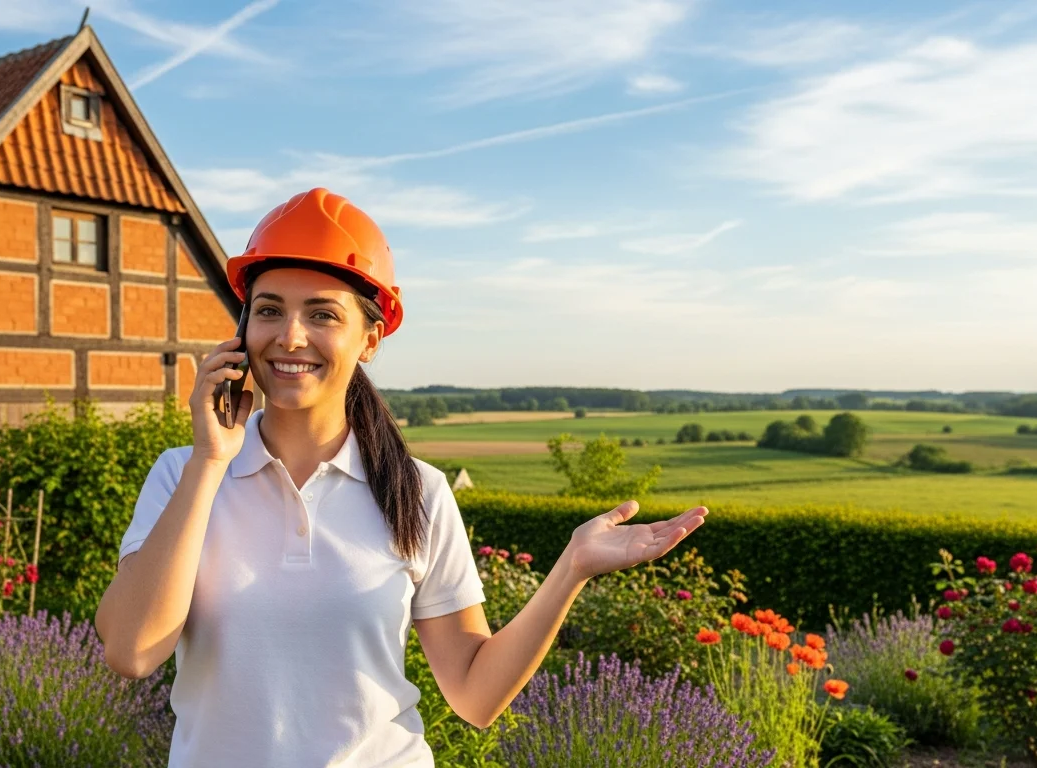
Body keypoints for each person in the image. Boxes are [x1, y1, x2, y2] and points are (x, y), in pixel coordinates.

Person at [93, 187, 710, 767]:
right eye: (269, 310)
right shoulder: (184, 473)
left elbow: (474, 694)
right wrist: (209, 462)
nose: (290, 336)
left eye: (322, 314)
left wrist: (571, 568)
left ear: (370, 339)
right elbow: (131, 650)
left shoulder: (418, 492)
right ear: (242, 331)